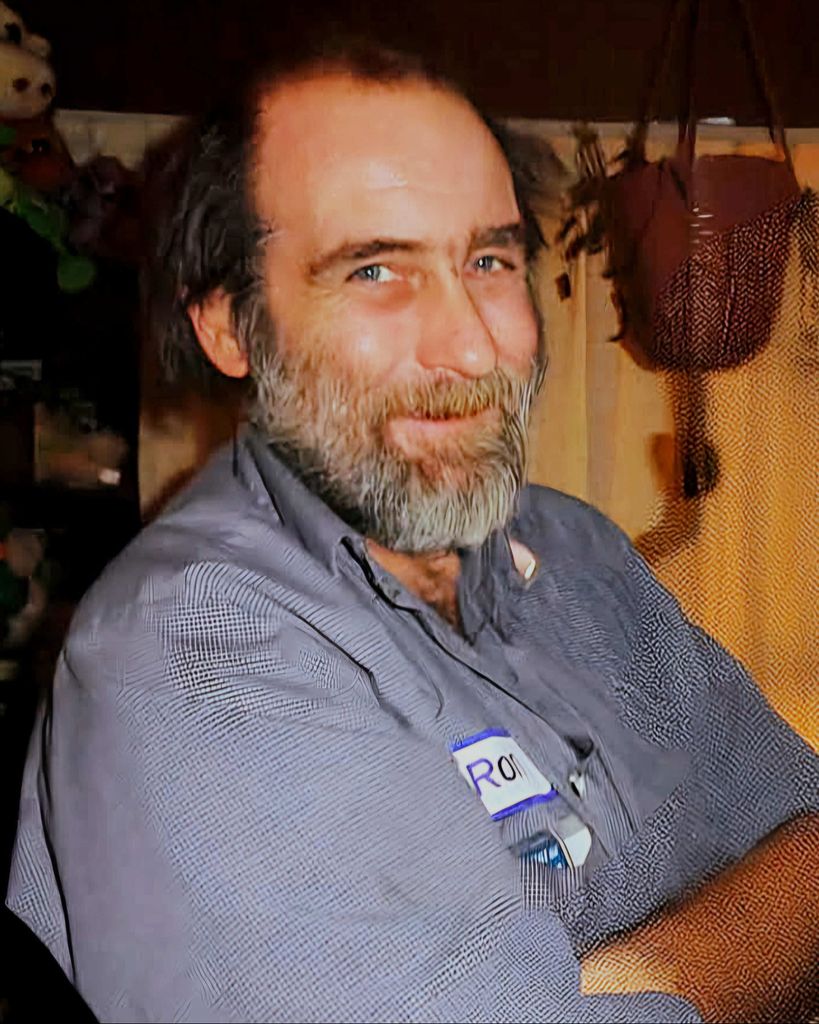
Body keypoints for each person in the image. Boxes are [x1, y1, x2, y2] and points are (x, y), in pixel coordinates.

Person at [6, 41, 819, 1024]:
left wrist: (620, 976)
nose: (472, 343)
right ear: (230, 326)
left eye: (489, 260)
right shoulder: (185, 645)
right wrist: (744, 936)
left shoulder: (577, 550)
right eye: (377, 269)